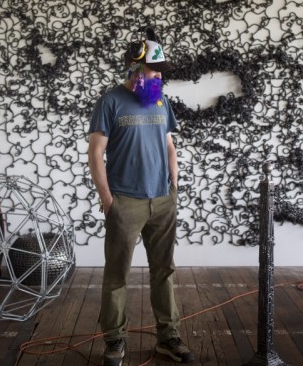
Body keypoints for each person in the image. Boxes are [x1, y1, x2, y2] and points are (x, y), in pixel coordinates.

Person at [87, 28, 194, 365]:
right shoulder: (110, 101)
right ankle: (115, 341)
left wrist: (173, 187)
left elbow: (169, 146)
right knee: (117, 274)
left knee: (164, 270)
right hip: (126, 201)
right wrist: (109, 201)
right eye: (152, 70)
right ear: (133, 68)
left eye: (160, 72)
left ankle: (168, 337)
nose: (158, 76)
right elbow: (95, 153)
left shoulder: (161, 101)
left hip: (163, 200)